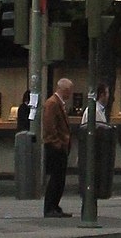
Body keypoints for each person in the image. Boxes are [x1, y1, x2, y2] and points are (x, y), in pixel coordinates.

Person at [41, 75, 73, 219]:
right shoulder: (52, 103)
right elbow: (49, 125)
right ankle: (50, 207)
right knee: (56, 178)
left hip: (60, 146)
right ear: (63, 89)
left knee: (60, 178)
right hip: (55, 146)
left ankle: (54, 205)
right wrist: (57, 143)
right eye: (69, 90)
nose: (70, 94)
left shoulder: (58, 103)